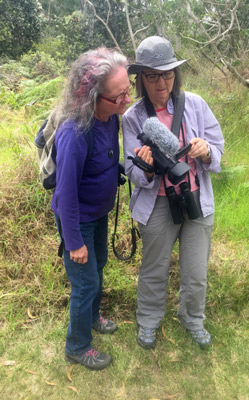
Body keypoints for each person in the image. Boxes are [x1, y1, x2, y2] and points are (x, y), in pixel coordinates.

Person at [122, 36, 224, 350]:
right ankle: (149, 321)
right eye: (152, 75)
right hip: (157, 206)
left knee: (196, 271)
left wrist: (206, 152)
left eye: (167, 74)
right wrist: (148, 168)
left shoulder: (195, 104)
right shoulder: (132, 117)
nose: (161, 82)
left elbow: (218, 150)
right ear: (141, 78)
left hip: (195, 201)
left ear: (175, 75)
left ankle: (193, 319)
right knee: (154, 269)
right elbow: (132, 170)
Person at [51, 47, 131, 370]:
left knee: (97, 272)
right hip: (77, 220)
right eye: (118, 96)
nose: (126, 100)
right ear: (93, 98)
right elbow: (66, 194)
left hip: (98, 215)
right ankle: (77, 345)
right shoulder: (75, 132)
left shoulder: (109, 118)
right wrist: (73, 243)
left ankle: (93, 316)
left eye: (128, 91)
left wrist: (120, 168)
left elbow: (106, 158)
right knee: (84, 283)